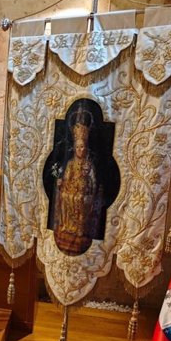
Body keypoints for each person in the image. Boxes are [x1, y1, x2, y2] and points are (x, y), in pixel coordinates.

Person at [52, 108, 103, 256]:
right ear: (74, 149)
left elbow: (93, 183)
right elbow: (67, 178)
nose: (80, 150)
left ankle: (80, 228)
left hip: (84, 193)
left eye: (82, 147)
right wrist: (61, 182)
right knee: (67, 197)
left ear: (85, 148)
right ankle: (67, 226)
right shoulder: (70, 164)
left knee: (79, 198)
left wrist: (89, 188)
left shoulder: (89, 165)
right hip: (71, 190)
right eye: (78, 147)